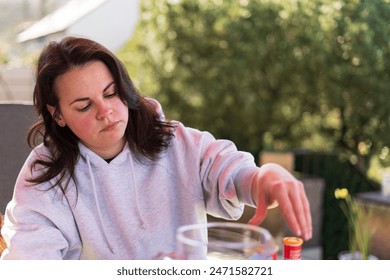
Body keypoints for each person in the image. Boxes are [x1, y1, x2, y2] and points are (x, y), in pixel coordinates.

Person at [0, 36, 311, 260]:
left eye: (111, 94)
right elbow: (30, 264)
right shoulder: (44, 177)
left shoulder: (175, 142)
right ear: (58, 115)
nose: (105, 111)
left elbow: (229, 171)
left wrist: (262, 178)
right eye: (84, 106)